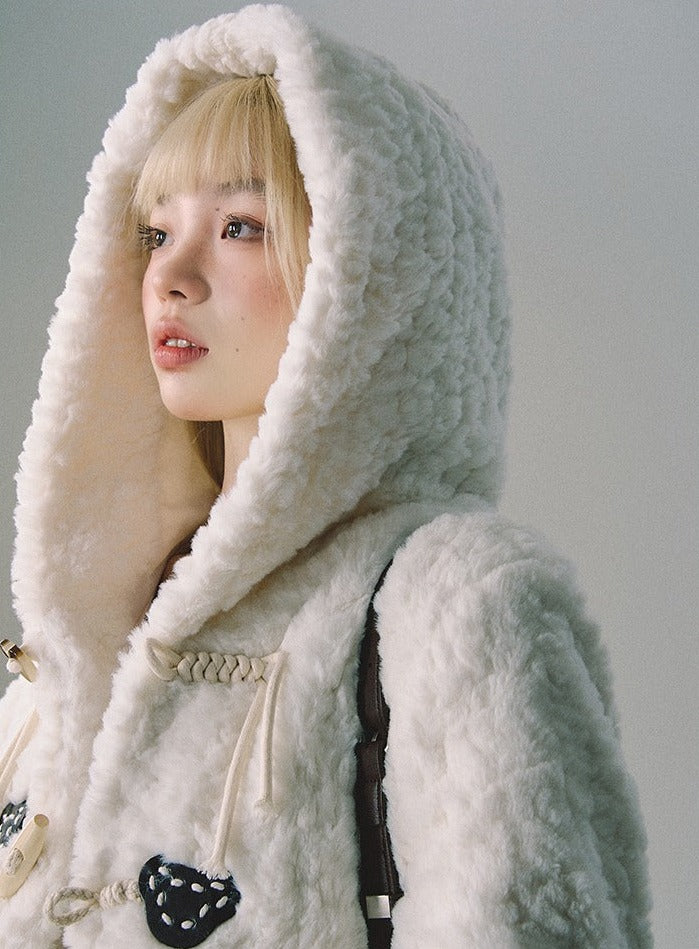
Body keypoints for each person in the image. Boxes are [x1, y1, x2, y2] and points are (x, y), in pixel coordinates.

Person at [0, 5, 651, 947]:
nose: (171, 275)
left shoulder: (459, 601)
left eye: (240, 225)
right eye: (154, 231)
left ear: (373, 275)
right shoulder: (79, 634)